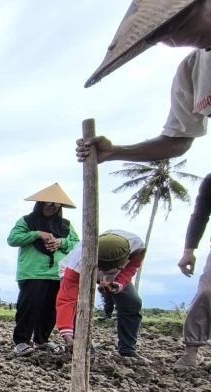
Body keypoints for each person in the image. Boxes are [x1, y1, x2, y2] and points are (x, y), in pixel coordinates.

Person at [78, 0, 211, 367]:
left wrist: (121, 283)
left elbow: (132, 266)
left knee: (131, 304)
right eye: (160, 35)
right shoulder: (193, 70)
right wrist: (114, 151)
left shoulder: (132, 247)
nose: (170, 40)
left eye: (175, 23)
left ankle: (129, 346)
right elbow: (178, 140)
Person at [7, 183, 80, 356]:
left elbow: (78, 244)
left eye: (55, 205)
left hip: (58, 273)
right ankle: (22, 342)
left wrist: (61, 242)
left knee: (51, 309)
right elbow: (13, 239)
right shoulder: (27, 221)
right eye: (47, 204)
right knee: (29, 307)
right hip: (32, 272)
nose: (51, 207)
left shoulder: (66, 226)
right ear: (40, 204)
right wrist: (37, 234)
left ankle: (41, 340)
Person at [56, 230, 147, 362]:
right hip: (82, 271)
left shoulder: (136, 246)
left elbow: (132, 267)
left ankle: (128, 350)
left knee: (132, 302)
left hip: (115, 275)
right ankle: (79, 346)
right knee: (80, 306)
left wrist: (118, 284)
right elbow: (67, 300)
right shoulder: (77, 262)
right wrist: (67, 336)